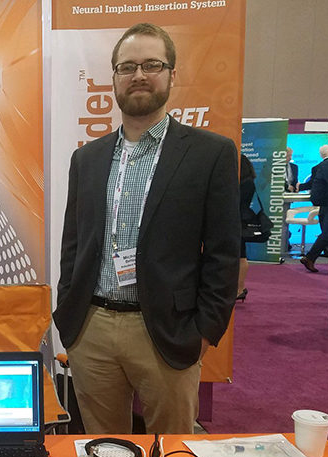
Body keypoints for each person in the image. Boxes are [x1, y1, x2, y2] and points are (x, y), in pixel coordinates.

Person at [53, 23, 240, 435]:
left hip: (166, 331)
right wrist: (70, 316)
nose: (139, 75)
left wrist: (205, 332)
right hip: (92, 328)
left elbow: (225, 253)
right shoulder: (88, 159)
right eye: (127, 67)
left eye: (152, 64)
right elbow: (73, 245)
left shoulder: (211, 154)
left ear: (172, 74)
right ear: (115, 79)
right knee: (103, 450)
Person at [297, 144, 328, 273]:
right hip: (326, 203)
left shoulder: (320, 166)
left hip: (323, 204)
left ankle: (310, 257)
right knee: (326, 234)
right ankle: (310, 257)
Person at [237, 154, 257, 301]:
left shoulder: (243, 183)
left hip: (236, 220)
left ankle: (239, 288)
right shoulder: (249, 181)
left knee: (240, 255)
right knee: (240, 255)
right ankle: (239, 288)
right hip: (240, 220)